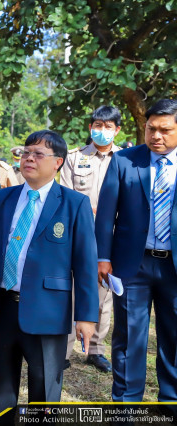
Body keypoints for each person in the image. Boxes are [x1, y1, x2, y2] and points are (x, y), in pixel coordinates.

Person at [0, 130, 99, 422]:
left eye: (38, 154)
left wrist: (87, 317)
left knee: (44, 390)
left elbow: (86, 266)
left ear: (58, 163)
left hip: (47, 312)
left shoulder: (74, 204)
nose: (28, 158)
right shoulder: (2, 199)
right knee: (1, 390)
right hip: (1, 306)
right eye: (26, 152)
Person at [96, 99, 177, 414]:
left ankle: (170, 402)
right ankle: (126, 406)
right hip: (132, 265)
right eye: (151, 128)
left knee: (173, 336)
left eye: (165, 130)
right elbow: (105, 215)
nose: (156, 135)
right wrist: (103, 257)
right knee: (129, 337)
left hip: (173, 266)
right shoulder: (125, 161)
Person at [60, 105, 122, 373]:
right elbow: (63, 194)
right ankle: (64, 350)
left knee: (103, 296)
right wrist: (89, 211)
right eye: (98, 125)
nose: (102, 131)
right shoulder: (74, 158)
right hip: (77, 235)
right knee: (70, 293)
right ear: (90, 127)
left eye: (108, 127)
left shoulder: (125, 160)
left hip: (111, 238)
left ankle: (96, 349)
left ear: (117, 130)